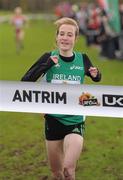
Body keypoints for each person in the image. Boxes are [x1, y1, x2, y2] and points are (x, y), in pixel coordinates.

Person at [21, 17, 101, 180]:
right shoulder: (48, 57)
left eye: (69, 35)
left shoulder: (83, 59)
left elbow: (96, 77)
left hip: (75, 121)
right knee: (57, 174)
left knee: (68, 170)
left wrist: (96, 74)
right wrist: (47, 65)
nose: (65, 38)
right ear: (57, 37)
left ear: (75, 39)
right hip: (53, 121)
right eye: (62, 34)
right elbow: (25, 81)